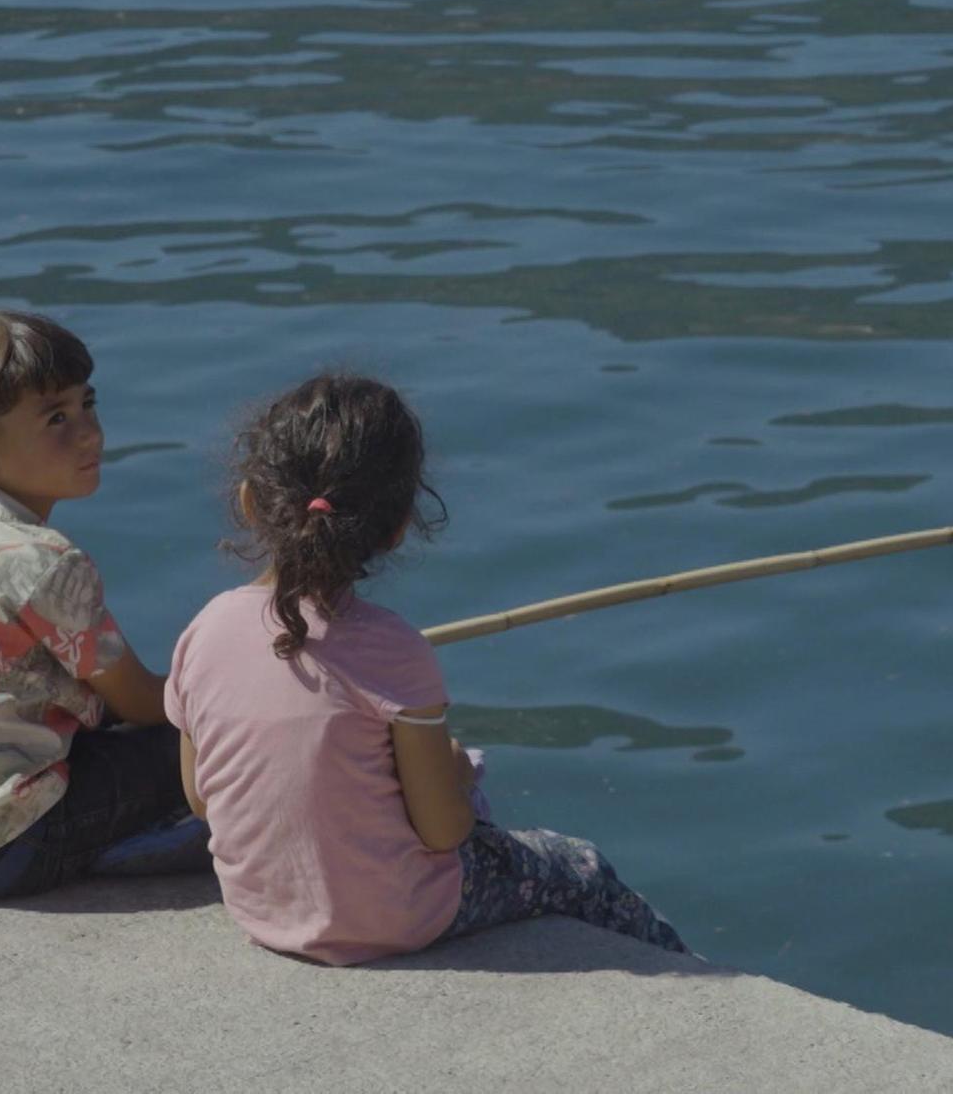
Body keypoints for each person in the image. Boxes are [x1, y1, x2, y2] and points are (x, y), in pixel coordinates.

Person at [165, 373, 688, 965]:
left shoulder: (204, 630)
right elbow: (442, 831)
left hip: (261, 912)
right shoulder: (396, 649)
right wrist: (454, 774)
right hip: (397, 918)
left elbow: (202, 799)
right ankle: (686, 969)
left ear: (249, 502)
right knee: (582, 869)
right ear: (396, 529)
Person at [0, 309, 209, 899]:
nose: (91, 433)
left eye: (87, 404)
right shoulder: (46, 562)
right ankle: (135, 848)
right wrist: (227, 684)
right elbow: (144, 702)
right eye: (57, 419)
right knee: (195, 745)